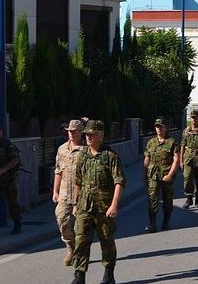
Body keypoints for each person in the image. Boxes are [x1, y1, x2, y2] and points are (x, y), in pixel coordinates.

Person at [71, 120, 125, 284]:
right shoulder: (83, 155)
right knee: (80, 240)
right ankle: (79, 276)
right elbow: (77, 181)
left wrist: (114, 204)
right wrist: (75, 204)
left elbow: (119, 182)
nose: (88, 137)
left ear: (100, 135)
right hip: (84, 206)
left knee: (106, 240)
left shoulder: (110, 156)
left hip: (104, 207)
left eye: (92, 134)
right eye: (87, 134)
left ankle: (109, 274)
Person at [53, 119, 86, 266]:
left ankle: (81, 252)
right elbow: (58, 171)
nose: (71, 134)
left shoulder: (86, 150)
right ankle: (70, 248)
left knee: (82, 226)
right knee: (62, 219)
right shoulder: (62, 149)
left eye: (74, 131)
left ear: (81, 133)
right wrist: (55, 191)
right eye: (69, 131)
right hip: (65, 192)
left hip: (83, 193)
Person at [144, 118, 180, 232]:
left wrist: (170, 174)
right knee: (152, 198)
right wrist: (144, 174)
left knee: (167, 199)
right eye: (156, 127)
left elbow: (176, 159)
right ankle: (152, 223)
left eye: (161, 126)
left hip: (166, 174)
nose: (158, 129)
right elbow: (147, 159)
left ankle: (165, 222)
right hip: (153, 175)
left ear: (165, 127)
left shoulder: (172, 142)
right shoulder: (151, 142)